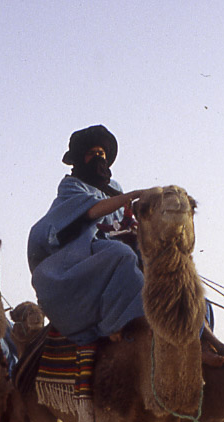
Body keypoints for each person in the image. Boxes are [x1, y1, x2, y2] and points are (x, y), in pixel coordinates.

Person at [27, 124, 147, 345]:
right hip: (83, 254)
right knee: (121, 254)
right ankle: (113, 324)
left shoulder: (115, 188)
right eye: (93, 154)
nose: (99, 158)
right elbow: (92, 211)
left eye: (102, 154)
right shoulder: (72, 185)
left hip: (119, 245)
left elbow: (123, 221)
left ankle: (204, 337)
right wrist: (134, 195)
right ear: (81, 158)